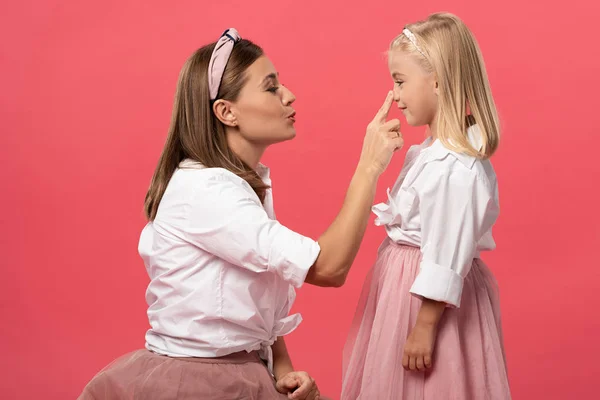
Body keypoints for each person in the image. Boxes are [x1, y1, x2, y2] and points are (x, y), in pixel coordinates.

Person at [78, 28, 403, 400]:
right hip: (200, 383)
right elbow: (328, 268)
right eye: (270, 87)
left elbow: (251, 294)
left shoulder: (237, 185)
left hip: (241, 372)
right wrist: (369, 166)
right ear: (226, 112)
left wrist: (281, 368)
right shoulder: (207, 191)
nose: (289, 95)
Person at [341, 13, 511, 399]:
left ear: (437, 81)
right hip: (404, 290)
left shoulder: (455, 164)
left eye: (400, 82)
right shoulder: (430, 154)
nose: (394, 95)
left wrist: (425, 325)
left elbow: (448, 250)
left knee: (433, 384)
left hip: (428, 304)